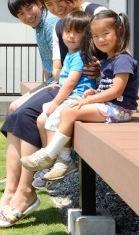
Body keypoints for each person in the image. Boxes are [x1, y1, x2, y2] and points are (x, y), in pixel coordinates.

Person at [0, 0, 106, 227]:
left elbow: (121, 54)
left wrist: (102, 71)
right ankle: (13, 190)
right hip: (67, 86)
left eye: (57, 0)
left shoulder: (96, 13)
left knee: (28, 114)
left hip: (91, 92)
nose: (55, 7)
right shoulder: (60, 24)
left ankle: (25, 193)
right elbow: (57, 71)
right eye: (49, 4)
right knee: (17, 114)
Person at [21, 9, 139, 174]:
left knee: (69, 112)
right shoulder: (108, 59)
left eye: (105, 33)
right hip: (109, 105)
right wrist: (94, 93)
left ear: (119, 32)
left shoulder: (123, 60)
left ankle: (50, 154)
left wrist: (88, 100)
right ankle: (62, 158)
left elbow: (116, 90)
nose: (101, 40)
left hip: (120, 110)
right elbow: (107, 86)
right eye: (96, 36)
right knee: (66, 112)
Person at [34, 10, 96, 146]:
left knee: (50, 122)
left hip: (78, 97)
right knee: (41, 121)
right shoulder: (71, 54)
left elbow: (71, 82)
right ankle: (47, 159)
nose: (71, 36)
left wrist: (56, 103)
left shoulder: (80, 55)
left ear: (87, 36)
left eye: (77, 32)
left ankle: (60, 159)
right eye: (67, 31)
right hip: (70, 95)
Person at [5, 0, 59, 115]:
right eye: (21, 14)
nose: (28, 16)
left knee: (16, 107)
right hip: (52, 81)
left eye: (29, 8)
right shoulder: (38, 26)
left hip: (62, 82)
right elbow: (47, 60)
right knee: (14, 107)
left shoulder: (50, 22)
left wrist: (49, 84)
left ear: (39, 3)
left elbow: (59, 61)